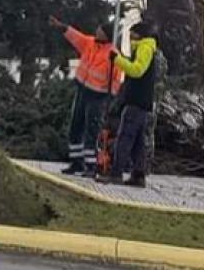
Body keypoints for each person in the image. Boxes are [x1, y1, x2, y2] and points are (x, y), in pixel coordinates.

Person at [49, 16, 121, 175]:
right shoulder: (90, 43)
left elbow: (116, 80)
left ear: (107, 35)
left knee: (92, 130)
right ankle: (76, 162)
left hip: (98, 96)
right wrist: (61, 26)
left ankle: (91, 165)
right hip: (82, 90)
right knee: (76, 126)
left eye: (101, 31)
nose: (97, 32)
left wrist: (111, 99)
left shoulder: (113, 54)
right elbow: (75, 36)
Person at [101, 19, 159, 187]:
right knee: (137, 141)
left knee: (124, 138)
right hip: (140, 101)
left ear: (139, 35)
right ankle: (138, 174)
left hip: (136, 100)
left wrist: (117, 60)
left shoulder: (145, 48)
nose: (130, 38)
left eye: (132, 34)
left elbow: (137, 70)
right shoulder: (144, 48)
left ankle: (116, 173)